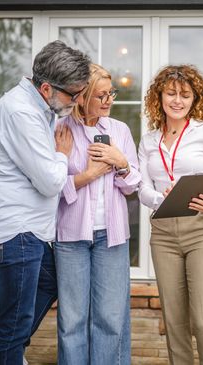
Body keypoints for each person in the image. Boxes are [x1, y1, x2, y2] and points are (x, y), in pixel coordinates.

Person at [0, 40, 91, 365]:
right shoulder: (21, 113)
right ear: (46, 87)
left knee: (51, 282)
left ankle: (14, 350)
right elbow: (51, 181)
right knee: (12, 323)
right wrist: (61, 154)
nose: (77, 100)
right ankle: (10, 354)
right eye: (73, 94)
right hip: (17, 234)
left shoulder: (42, 110)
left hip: (30, 234)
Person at [138, 64, 203, 365]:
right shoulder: (148, 141)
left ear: (195, 99)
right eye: (171, 93)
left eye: (185, 95)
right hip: (164, 234)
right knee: (174, 321)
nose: (177, 101)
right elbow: (142, 187)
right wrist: (158, 198)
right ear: (159, 96)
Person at [54, 64, 141, 365]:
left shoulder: (119, 131)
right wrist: (88, 175)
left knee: (111, 317)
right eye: (100, 95)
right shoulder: (61, 130)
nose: (108, 101)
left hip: (112, 235)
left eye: (111, 94)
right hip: (70, 235)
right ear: (81, 97)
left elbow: (132, 187)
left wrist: (122, 163)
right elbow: (51, 186)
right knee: (73, 319)